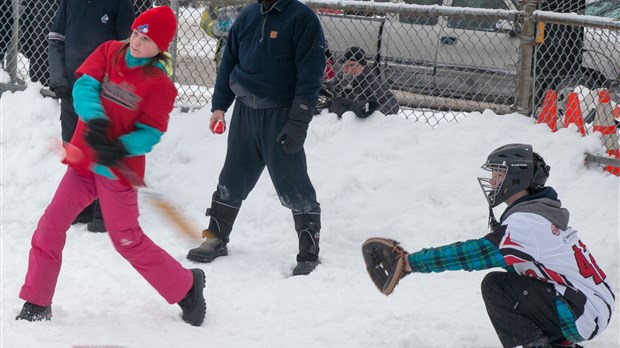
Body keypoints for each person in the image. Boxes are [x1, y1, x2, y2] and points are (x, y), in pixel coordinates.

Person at [16, 6, 207, 327]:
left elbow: (150, 132)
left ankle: (188, 287)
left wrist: (120, 145)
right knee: (49, 227)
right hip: (83, 163)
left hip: (117, 170)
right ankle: (37, 300)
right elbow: (84, 86)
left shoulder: (160, 84)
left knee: (127, 241)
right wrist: (97, 120)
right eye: (135, 33)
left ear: (160, 46)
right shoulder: (109, 51)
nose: (135, 42)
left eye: (145, 39)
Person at [375, 144, 615, 348]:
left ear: (516, 178)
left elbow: (472, 255)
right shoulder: (538, 212)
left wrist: (411, 263)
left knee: (496, 286)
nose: (492, 180)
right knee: (515, 276)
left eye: (498, 173)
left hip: (579, 312)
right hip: (590, 305)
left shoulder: (527, 223)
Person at [186, 0, 326, 276]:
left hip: (280, 114)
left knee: (293, 181)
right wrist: (219, 107)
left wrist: (299, 120)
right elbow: (228, 62)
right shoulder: (248, 15)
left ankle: (309, 249)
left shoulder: (303, 19)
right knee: (232, 177)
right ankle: (215, 239)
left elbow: (311, 75)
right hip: (245, 112)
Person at [48, 0, 135, 232]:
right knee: (75, 147)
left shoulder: (122, 5)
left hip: (104, 93)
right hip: (71, 90)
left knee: (101, 148)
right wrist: (58, 79)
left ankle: (105, 209)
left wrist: (114, 89)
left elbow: (129, 49)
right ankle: (82, 206)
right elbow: (56, 41)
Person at [328, 46, 400, 118]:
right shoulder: (339, 79)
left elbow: (392, 103)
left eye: (353, 65)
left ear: (363, 67)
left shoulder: (372, 83)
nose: (349, 69)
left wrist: (372, 114)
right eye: (346, 65)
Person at [19, 0, 60, 86]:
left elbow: (25, 18)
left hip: (40, 51)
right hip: (65, 52)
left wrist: (28, 49)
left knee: (41, 90)